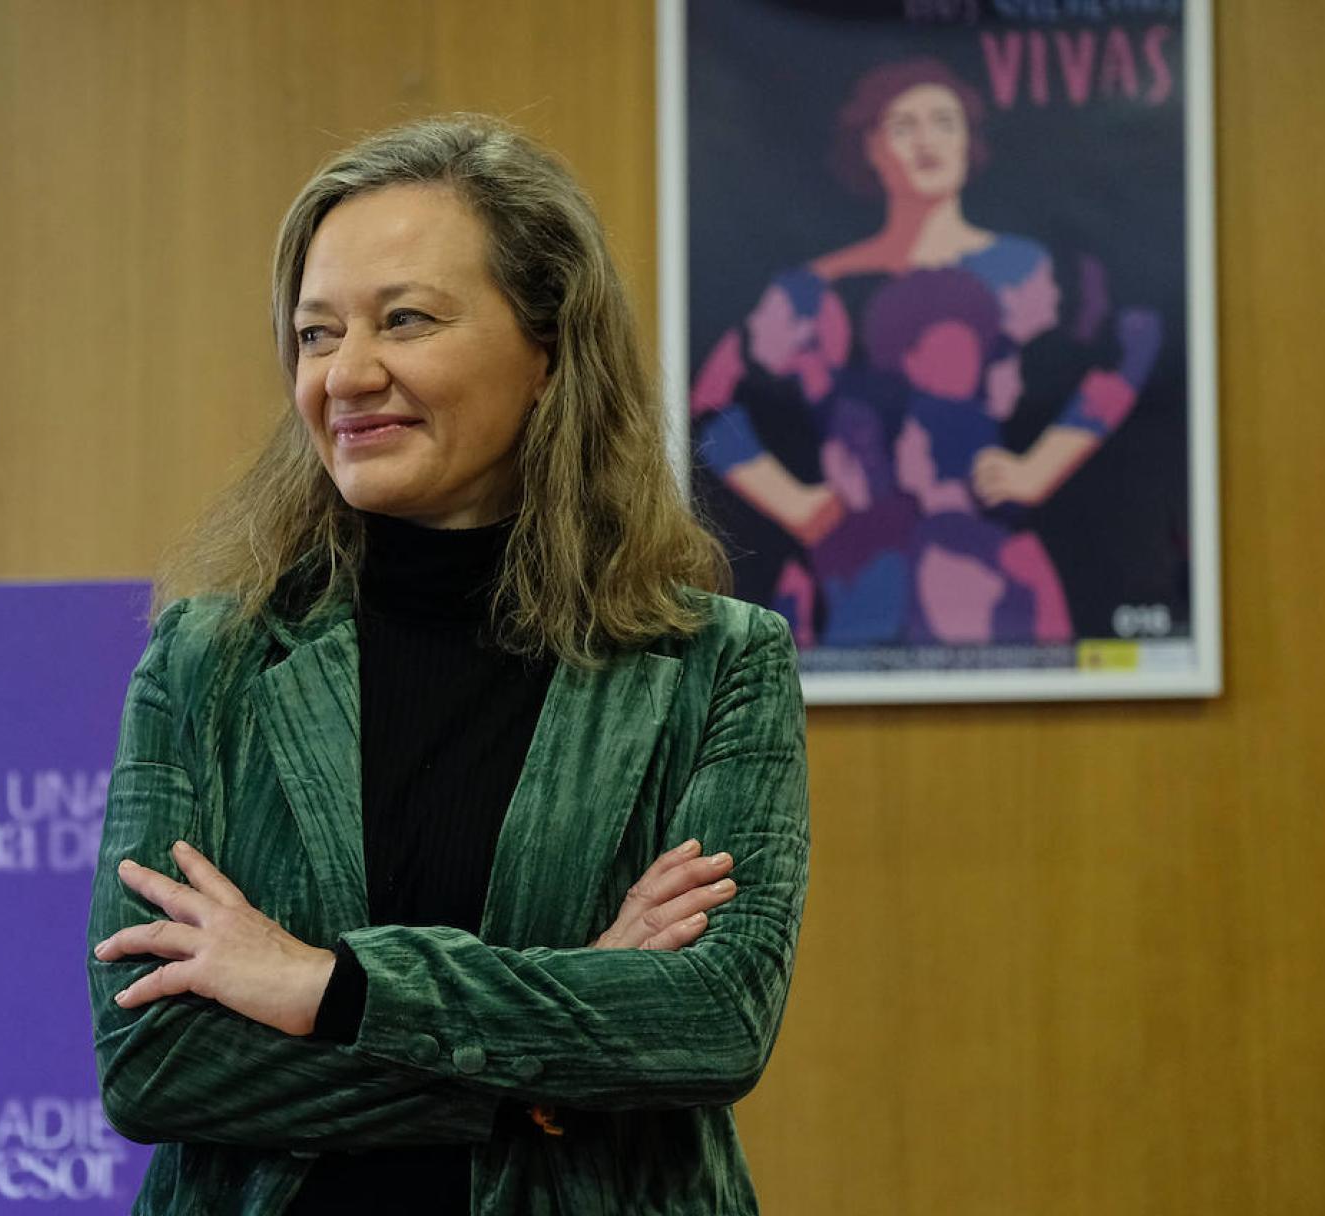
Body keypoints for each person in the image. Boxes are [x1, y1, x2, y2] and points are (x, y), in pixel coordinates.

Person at [87, 115, 809, 1215]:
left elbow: (712, 1022)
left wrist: (327, 985)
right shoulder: (207, 660)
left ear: (549, 351)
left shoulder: (719, 665)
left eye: (406, 320)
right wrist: (547, 1069)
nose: (347, 373)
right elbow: (154, 1062)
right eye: (316, 333)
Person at [690, 57, 1159, 647]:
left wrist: (1042, 466)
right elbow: (710, 398)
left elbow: (1133, 341)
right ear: (871, 147)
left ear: (969, 141)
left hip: (995, 583)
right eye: (903, 125)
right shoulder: (814, 288)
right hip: (846, 586)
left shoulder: (1027, 271)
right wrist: (792, 503)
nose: (926, 141)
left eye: (944, 121)